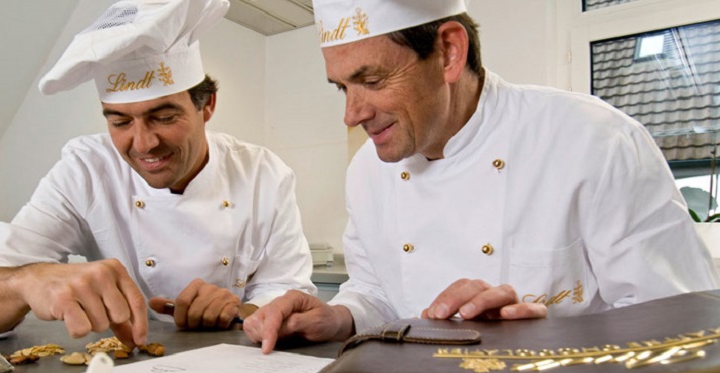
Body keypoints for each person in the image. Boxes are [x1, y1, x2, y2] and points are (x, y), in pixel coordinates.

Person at [244, 0, 720, 353]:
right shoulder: (368, 170)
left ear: (450, 52)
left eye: (371, 81)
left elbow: (689, 329)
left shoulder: (595, 141)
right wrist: (338, 316)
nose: (351, 114)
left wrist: (547, 335)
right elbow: (376, 292)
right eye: (341, 88)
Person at [0, 0, 316, 347]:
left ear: (207, 105)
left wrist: (241, 309)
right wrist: (25, 280)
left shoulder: (263, 172)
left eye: (164, 117)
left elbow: (289, 289)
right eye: (120, 122)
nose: (143, 144)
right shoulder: (86, 170)